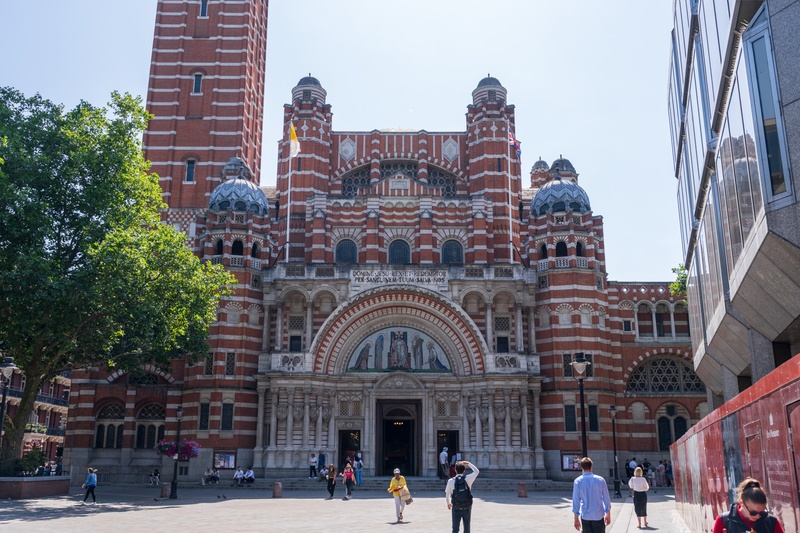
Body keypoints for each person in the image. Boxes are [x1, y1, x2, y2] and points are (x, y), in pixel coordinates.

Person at [713, 478, 784, 533]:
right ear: (741, 503)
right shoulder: (724, 521)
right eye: (753, 512)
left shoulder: (771, 522)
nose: (758, 516)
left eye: (762, 513)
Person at [572, 457, 611, 532]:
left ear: (582, 467)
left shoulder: (577, 481)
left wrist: (576, 519)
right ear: (591, 467)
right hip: (598, 515)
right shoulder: (600, 480)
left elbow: (576, 500)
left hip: (585, 515)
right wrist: (608, 514)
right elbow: (606, 498)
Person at [445, 460, 480, 533]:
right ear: (464, 470)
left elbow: (447, 494)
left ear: (455, 470)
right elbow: (477, 471)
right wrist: (468, 463)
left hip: (456, 507)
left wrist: (448, 503)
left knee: (455, 529)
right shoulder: (468, 479)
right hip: (467, 507)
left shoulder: (451, 481)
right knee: (467, 529)